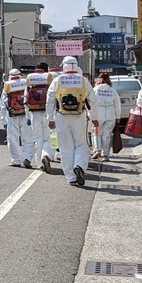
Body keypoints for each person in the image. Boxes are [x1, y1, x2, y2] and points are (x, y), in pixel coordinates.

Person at [46, 56, 98, 186]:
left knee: (65, 147)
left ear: (64, 66)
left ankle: (71, 177)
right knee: (81, 144)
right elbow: (93, 101)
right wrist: (94, 118)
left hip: (61, 116)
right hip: (79, 116)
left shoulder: (57, 80)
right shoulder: (83, 80)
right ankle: (79, 166)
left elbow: (50, 100)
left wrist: (50, 118)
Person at [0, 68, 34, 168]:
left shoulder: (7, 86)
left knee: (12, 139)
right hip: (25, 114)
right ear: (19, 75)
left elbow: (3, 104)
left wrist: (4, 121)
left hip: (12, 115)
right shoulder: (25, 83)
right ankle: (27, 157)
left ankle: (15, 160)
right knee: (28, 138)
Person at [25, 62, 54, 173]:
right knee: (48, 137)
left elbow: (25, 99)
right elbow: (52, 97)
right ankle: (46, 156)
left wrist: (28, 116)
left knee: (38, 138)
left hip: (34, 112)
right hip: (47, 112)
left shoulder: (30, 79)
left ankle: (39, 164)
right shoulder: (49, 78)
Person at [92, 73, 121, 162]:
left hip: (98, 113)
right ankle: (105, 155)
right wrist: (118, 116)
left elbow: (91, 103)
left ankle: (97, 150)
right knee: (107, 135)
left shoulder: (95, 90)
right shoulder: (112, 90)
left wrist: (91, 116)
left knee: (96, 133)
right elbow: (117, 104)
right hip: (110, 113)